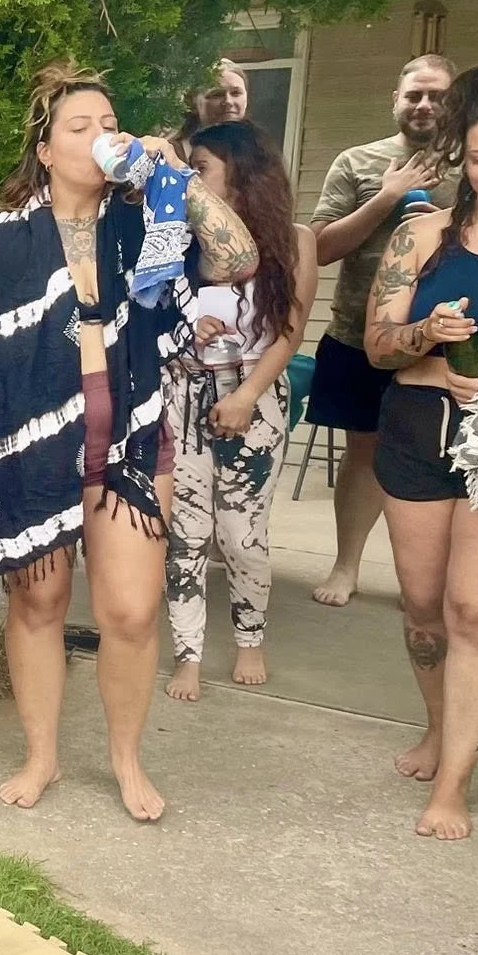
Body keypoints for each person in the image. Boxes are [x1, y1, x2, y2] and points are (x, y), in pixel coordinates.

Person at [0, 61, 258, 822]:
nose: (98, 137)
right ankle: (42, 755)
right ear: (45, 151)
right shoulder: (2, 243)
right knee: (41, 602)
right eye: (78, 127)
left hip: (128, 437)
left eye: (108, 123)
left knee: (129, 612)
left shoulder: (144, 224)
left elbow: (239, 256)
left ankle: (124, 760)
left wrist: (177, 181)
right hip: (32, 445)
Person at [362, 59, 478, 839]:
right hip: (422, 431)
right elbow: (377, 344)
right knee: (425, 613)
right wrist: (427, 336)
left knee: (477, 609)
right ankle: (438, 724)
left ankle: (456, 777)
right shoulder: (424, 233)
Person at [163, 120, 318, 700]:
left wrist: (247, 394)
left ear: (241, 172)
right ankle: (187, 653)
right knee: (186, 532)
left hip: (254, 393)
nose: (192, 178)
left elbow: (290, 331)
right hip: (184, 389)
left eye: (201, 166)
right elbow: (160, 312)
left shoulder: (294, 239)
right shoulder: (181, 238)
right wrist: (187, 332)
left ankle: (250, 637)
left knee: (242, 531)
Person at [305, 55, 459, 607]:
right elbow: (320, 248)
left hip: (449, 340)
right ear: (394, 99)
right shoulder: (358, 162)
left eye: (436, 96)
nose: (423, 105)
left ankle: (426, 579)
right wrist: (388, 195)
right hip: (358, 337)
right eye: (413, 94)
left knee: (441, 460)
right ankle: (347, 567)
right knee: (365, 453)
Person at [173, 60, 250, 151]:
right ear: (192, 103)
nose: (228, 101)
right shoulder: (168, 155)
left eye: (236, 93)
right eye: (216, 95)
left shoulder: (259, 152)